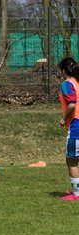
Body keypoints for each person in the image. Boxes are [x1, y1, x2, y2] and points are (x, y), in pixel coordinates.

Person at [58, 57, 79, 201]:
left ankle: (77, 194)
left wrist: (64, 119)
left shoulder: (67, 85)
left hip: (76, 126)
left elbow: (71, 104)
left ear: (64, 71)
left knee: (71, 160)